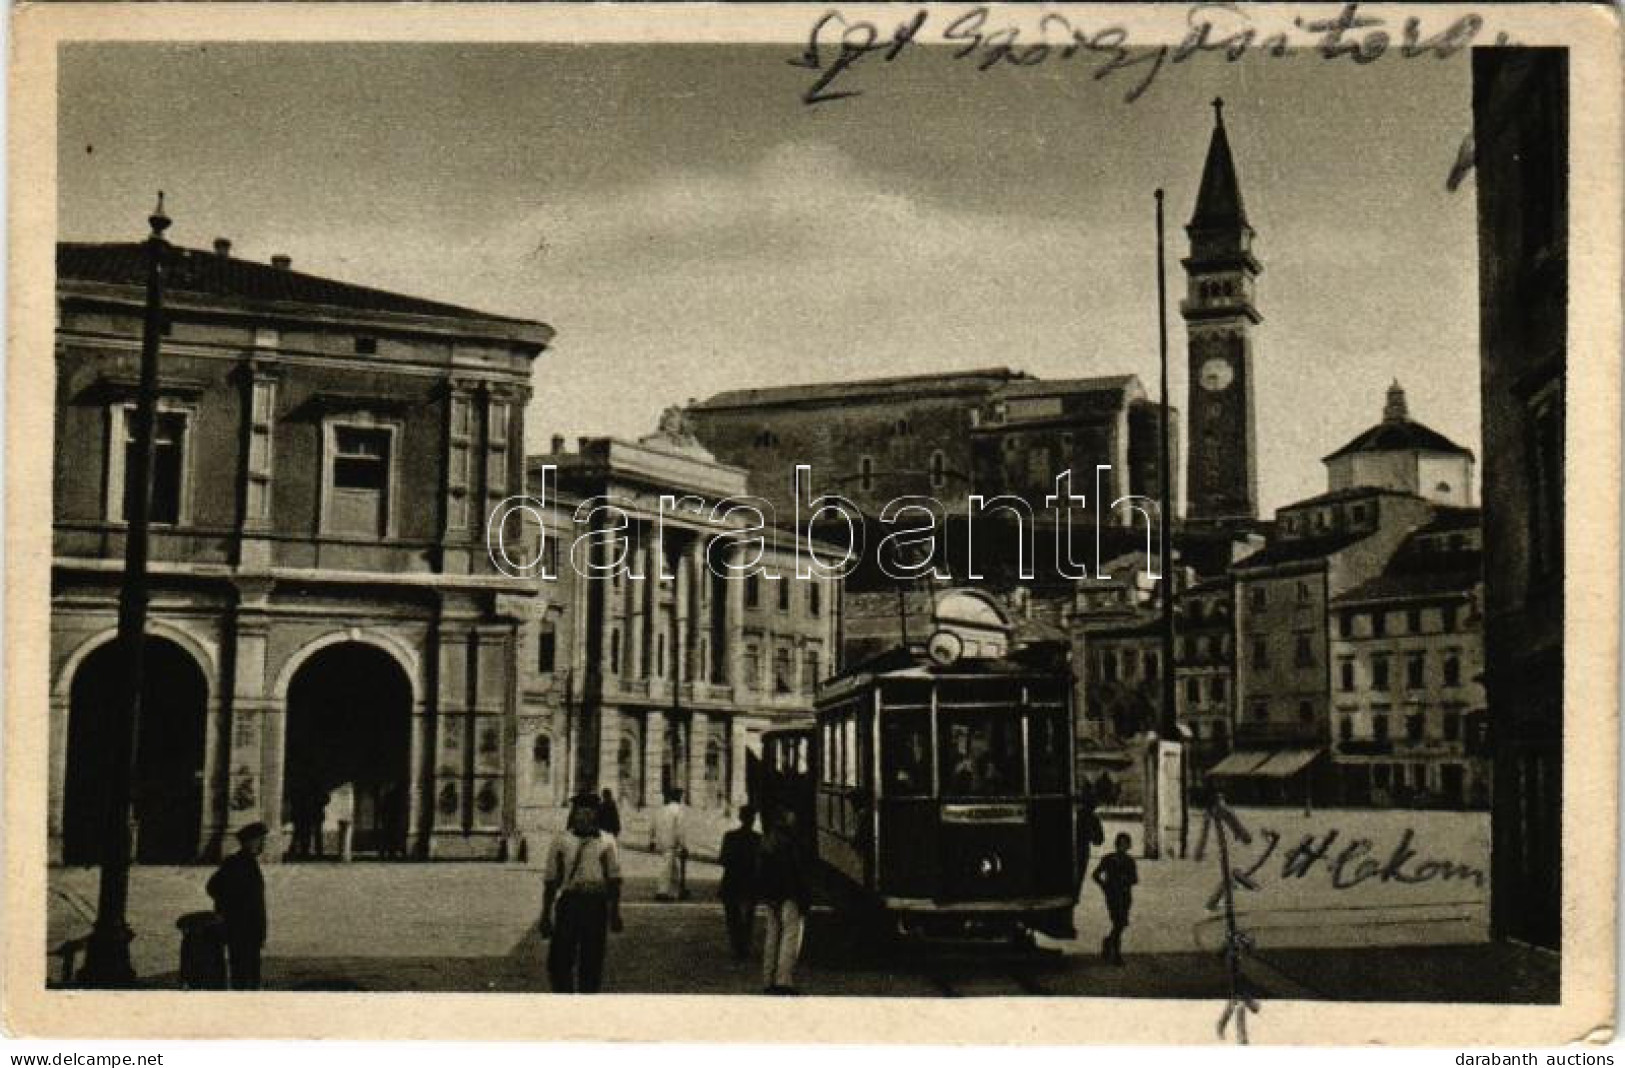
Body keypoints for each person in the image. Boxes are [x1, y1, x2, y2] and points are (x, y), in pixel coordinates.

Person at [540, 793, 624, 993]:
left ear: (596, 815)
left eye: (590, 813)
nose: (585, 817)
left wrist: (615, 914)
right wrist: (545, 915)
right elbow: (551, 880)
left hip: (595, 905)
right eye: (580, 813)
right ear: (573, 815)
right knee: (559, 961)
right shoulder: (561, 841)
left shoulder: (607, 841)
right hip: (569, 904)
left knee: (592, 962)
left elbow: (613, 880)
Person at [207, 821, 269, 989]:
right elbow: (213, 887)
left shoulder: (248, 862)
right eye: (260, 840)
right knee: (243, 974)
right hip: (240, 928)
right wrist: (231, 909)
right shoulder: (235, 863)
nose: (263, 844)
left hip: (249, 928)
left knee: (248, 972)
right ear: (250, 842)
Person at [757, 807, 811, 994]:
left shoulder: (767, 841)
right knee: (790, 937)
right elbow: (797, 873)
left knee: (772, 937)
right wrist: (804, 897)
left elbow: (761, 872)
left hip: (772, 896)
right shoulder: (792, 843)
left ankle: (767, 979)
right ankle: (784, 980)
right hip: (789, 894)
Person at [718, 805, 761, 960]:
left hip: (731, 881)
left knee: (732, 915)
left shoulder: (730, 836)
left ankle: (737, 945)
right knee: (749, 915)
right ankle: (745, 944)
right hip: (750, 882)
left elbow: (722, 860)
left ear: (740, 818)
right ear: (753, 819)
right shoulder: (758, 839)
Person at [1093, 832, 1138, 966]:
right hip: (1112, 896)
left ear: (1129, 846)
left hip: (1125, 896)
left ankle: (1108, 942)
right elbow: (1095, 874)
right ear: (1116, 844)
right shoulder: (1108, 859)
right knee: (1118, 923)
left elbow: (1135, 879)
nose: (1123, 847)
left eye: (1125, 844)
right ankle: (1117, 955)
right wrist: (1104, 886)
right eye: (1121, 844)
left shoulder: (1130, 861)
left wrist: (1127, 879)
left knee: (1121, 924)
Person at [651, 788, 688, 901]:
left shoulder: (661, 810)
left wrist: (652, 841)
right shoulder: (678, 810)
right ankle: (663, 891)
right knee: (667, 867)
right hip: (672, 842)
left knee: (673, 868)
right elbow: (680, 830)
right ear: (678, 797)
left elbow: (653, 826)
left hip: (662, 842)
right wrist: (683, 845)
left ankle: (674, 892)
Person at [328, 780, 355, 862]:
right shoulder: (349, 792)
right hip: (347, 815)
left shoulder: (340, 791)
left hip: (342, 815)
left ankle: (343, 853)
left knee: (342, 834)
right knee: (347, 834)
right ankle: (346, 854)